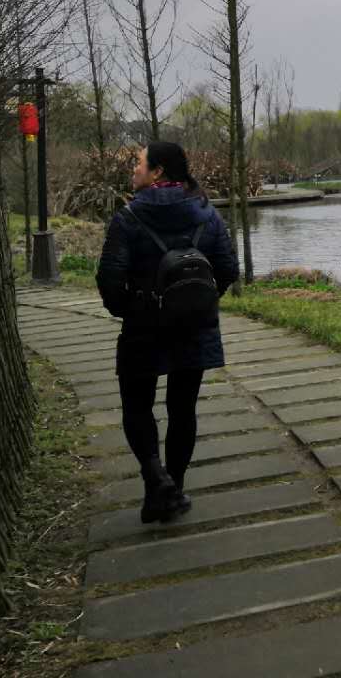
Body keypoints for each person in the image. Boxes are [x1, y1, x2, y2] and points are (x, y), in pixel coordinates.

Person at [96, 141, 238, 524]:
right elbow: (227, 269)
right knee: (183, 408)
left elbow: (109, 279)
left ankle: (156, 480)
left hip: (143, 327)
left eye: (139, 163)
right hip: (194, 326)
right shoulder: (207, 213)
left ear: (157, 171)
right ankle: (173, 485)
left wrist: (132, 310)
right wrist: (199, 301)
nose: (134, 169)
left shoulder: (128, 218)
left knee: (136, 404)